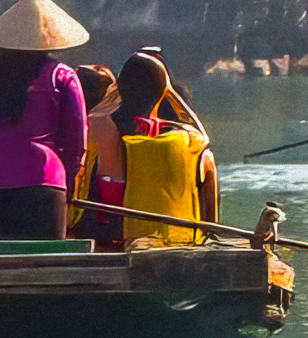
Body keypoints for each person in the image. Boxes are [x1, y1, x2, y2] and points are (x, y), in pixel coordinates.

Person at [0, 0, 89, 240]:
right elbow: (76, 142)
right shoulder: (62, 75)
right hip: (45, 181)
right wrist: (67, 182)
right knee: (47, 266)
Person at [82, 51, 218, 248]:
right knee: (206, 160)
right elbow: (202, 136)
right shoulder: (191, 142)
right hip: (175, 243)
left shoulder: (95, 129)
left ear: (120, 88)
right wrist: (170, 93)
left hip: (109, 240)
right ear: (163, 93)